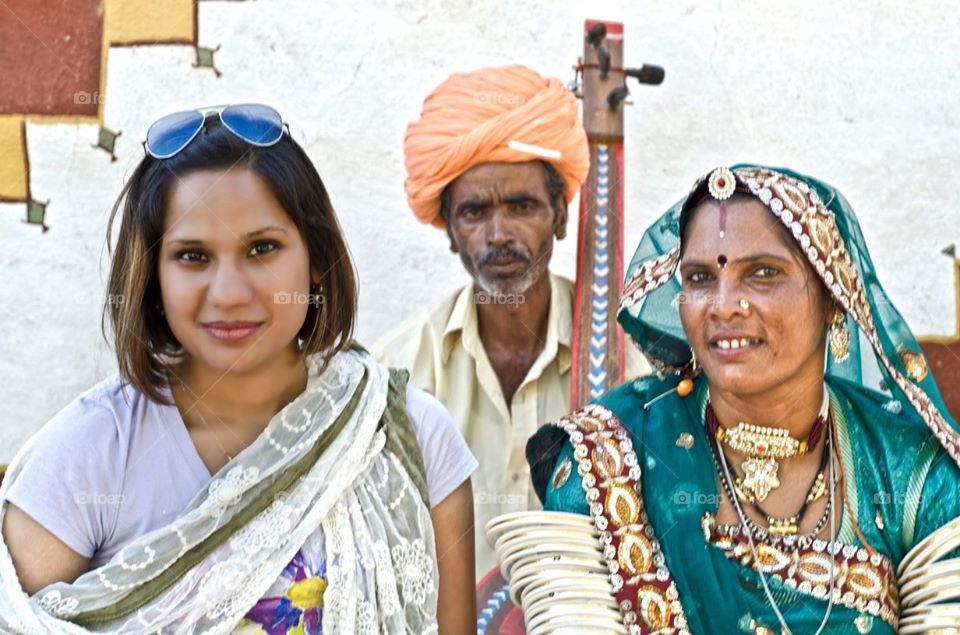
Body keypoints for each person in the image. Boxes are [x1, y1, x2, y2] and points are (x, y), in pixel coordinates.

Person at [0, 104, 477, 633]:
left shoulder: (406, 435)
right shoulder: (90, 456)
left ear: (316, 260)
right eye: (192, 256)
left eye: (262, 248)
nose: (228, 294)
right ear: (152, 276)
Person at [526, 165, 960, 634]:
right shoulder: (611, 456)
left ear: (833, 295)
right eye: (698, 278)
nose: (724, 304)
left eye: (764, 273)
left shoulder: (909, 474)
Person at [375, 65, 646, 575]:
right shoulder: (399, 373)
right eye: (475, 212)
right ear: (451, 230)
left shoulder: (633, 364)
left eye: (522, 206)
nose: (498, 234)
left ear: (561, 216)